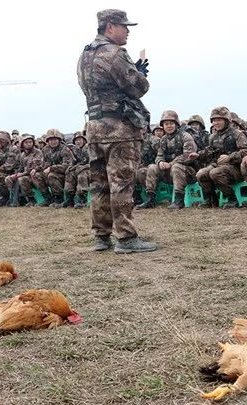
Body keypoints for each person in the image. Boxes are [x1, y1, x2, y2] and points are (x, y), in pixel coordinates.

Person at [77, 9, 156, 253]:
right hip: (119, 128)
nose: (128, 31)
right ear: (110, 27)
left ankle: (101, 237)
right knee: (121, 183)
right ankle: (126, 238)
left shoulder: (85, 55)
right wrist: (140, 73)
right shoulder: (115, 53)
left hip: (95, 127)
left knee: (99, 184)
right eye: (124, 26)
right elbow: (139, 88)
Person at [136, 110, 197, 210]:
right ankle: (151, 199)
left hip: (188, 172)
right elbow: (159, 155)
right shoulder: (163, 139)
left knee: (176, 167)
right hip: (170, 172)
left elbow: (188, 155)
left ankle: (179, 200)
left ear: (176, 124)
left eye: (171, 123)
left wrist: (171, 163)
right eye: (166, 124)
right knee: (152, 167)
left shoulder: (185, 136)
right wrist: (160, 162)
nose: (169, 126)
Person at [196, 106, 247, 208]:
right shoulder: (213, 137)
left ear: (226, 120)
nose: (216, 123)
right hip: (217, 165)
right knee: (201, 174)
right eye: (214, 120)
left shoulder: (237, 134)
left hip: (236, 168)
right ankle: (211, 199)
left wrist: (230, 157)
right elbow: (209, 151)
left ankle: (232, 199)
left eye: (219, 120)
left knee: (215, 173)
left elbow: (246, 151)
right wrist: (198, 154)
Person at [62, 131, 90, 208]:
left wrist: (83, 167)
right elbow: (74, 162)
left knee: (82, 175)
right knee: (69, 174)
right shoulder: (76, 150)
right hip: (79, 169)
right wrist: (70, 167)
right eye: (76, 140)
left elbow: (93, 163)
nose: (78, 142)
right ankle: (70, 199)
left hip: (90, 170)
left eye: (80, 139)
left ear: (84, 140)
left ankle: (82, 200)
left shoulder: (89, 148)